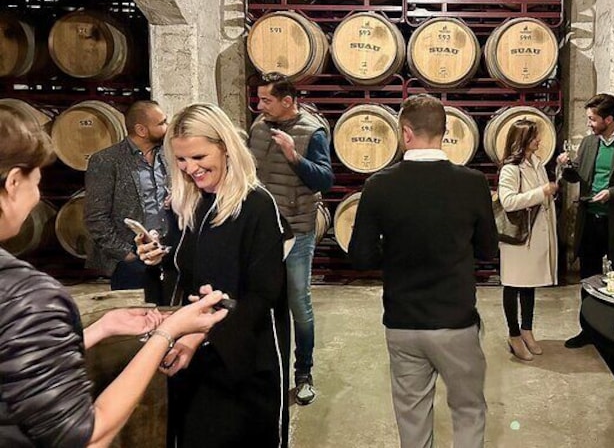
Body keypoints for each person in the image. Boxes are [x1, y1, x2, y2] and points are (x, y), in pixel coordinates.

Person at [0, 107, 228, 447]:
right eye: (38, 183)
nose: (37, 197)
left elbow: (14, 363)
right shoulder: (27, 296)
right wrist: (167, 333)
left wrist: (100, 329)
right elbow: (86, 436)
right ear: (14, 182)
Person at [137, 103, 293, 447]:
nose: (190, 168)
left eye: (198, 157)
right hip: (195, 353)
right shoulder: (189, 204)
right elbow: (187, 270)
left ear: (225, 147)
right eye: (180, 160)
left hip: (244, 359)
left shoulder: (257, 207)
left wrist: (202, 334)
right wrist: (159, 259)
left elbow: (263, 295)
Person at [348, 94, 498, 448]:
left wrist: (396, 250)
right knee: (468, 410)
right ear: (444, 133)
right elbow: (488, 251)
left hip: (402, 321)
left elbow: (361, 257)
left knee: (412, 418)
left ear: (405, 133)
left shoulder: (379, 185)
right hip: (455, 320)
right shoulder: (472, 183)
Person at [248, 74, 333, 406]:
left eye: (266, 100)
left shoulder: (313, 131)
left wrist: (294, 156)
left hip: (296, 230)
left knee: (299, 304)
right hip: (262, 231)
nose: (260, 106)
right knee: (260, 301)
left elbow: (324, 179)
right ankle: (265, 369)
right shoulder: (258, 126)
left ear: (287, 101)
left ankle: (304, 374)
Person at [557, 93, 614, 348]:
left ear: (608, 119)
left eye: (592, 119)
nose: (588, 123)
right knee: (589, 279)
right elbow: (577, 177)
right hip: (591, 220)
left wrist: (613, 193)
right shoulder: (589, 143)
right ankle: (588, 330)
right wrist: (566, 168)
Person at [85, 100, 170, 297]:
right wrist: (126, 254)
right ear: (141, 129)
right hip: (132, 261)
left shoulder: (168, 155)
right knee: (134, 320)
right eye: (161, 123)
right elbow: (95, 217)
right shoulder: (107, 161)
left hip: (166, 253)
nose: (167, 127)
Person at [497, 119, 559, 361]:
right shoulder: (511, 168)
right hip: (517, 238)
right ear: (523, 140)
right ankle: (513, 335)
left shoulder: (536, 163)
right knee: (513, 284)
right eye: (534, 137)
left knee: (529, 284)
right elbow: (508, 201)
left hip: (534, 235)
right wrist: (541, 193)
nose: (539, 141)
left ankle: (527, 330)